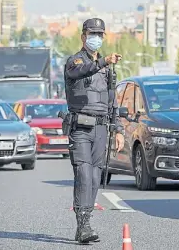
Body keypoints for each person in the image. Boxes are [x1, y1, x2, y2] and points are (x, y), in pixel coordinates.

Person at [63, 18, 125, 244]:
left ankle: (86, 222)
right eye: (92, 33)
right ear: (83, 36)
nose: (96, 38)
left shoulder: (107, 70)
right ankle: (83, 226)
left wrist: (118, 129)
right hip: (80, 127)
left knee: (96, 176)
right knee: (84, 174)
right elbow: (79, 72)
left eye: (100, 34)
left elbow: (112, 102)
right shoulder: (75, 61)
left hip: (101, 128)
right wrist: (103, 63)